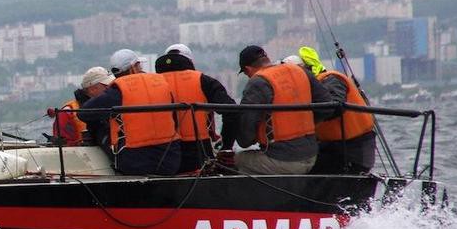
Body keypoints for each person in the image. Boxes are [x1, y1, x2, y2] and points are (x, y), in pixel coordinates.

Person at [77, 48, 181, 175]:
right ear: (134, 67)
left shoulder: (118, 91)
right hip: (170, 160)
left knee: (97, 126)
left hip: (134, 163)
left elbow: (83, 113)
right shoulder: (161, 82)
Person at [235, 44, 333, 175]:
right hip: (312, 155)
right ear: (267, 58)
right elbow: (327, 106)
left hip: (283, 161)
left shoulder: (257, 83)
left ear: (247, 69)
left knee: (237, 160)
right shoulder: (300, 71)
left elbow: (244, 140)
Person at [155, 43, 238, 173]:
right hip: (198, 154)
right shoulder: (204, 81)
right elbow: (232, 112)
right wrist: (226, 147)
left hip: (162, 155)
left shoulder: (152, 84)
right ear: (191, 62)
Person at [295, 46, 377, 174]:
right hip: (331, 148)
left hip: (352, 150)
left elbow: (335, 105)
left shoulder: (331, 79)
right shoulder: (309, 90)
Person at [50, 66, 113, 146]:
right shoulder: (67, 112)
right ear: (92, 89)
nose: (111, 88)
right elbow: (64, 148)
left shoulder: (111, 106)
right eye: (106, 85)